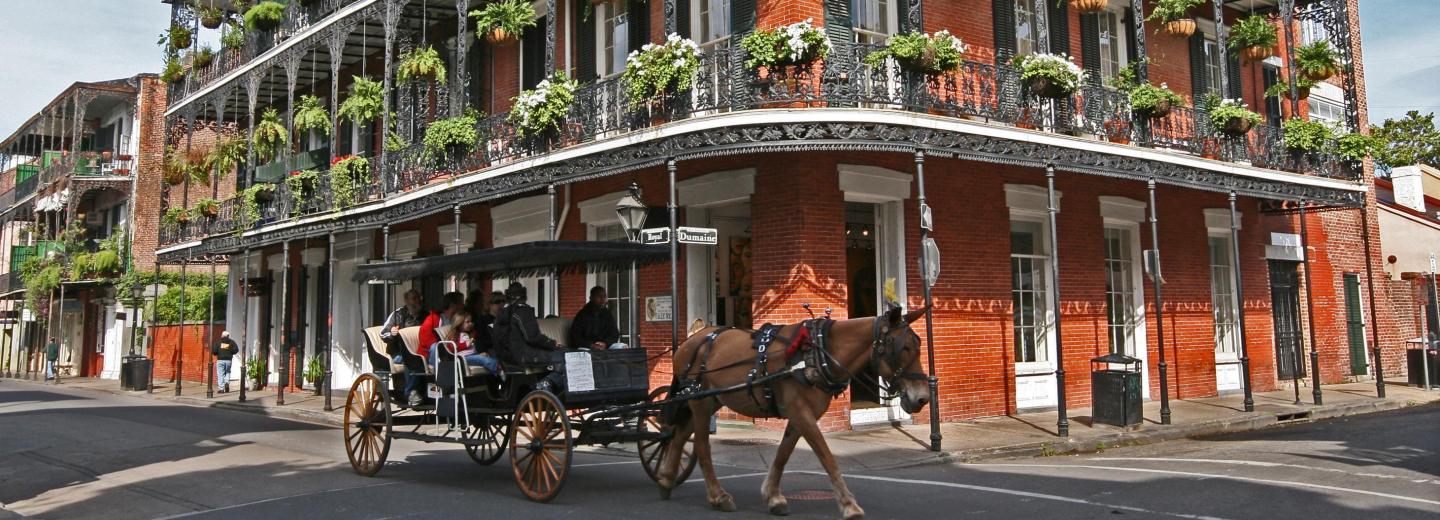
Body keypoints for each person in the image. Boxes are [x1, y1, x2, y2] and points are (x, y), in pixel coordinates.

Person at [492, 282, 559, 366]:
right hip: (525, 356)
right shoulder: (523, 311)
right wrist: (552, 343)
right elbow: (533, 338)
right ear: (524, 295)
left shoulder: (501, 314)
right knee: (563, 356)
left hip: (507, 358)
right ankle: (550, 376)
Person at [431, 310, 503, 379]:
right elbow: (451, 347)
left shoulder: (471, 333)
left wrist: (480, 352)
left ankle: (497, 374)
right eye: (467, 322)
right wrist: (465, 344)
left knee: (488, 357)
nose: (470, 323)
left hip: (473, 355)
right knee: (483, 359)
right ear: (460, 324)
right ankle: (499, 370)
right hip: (462, 358)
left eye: (471, 321)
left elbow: (475, 346)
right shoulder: (455, 335)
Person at [381, 289, 426, 357]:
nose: (417, 301)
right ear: (406, 301)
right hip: (399, 353)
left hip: (420, 351)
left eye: (418, 298)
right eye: (414, 298)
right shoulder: (398, 315)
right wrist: (392, 333)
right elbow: (383, 334)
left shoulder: (426, 315)